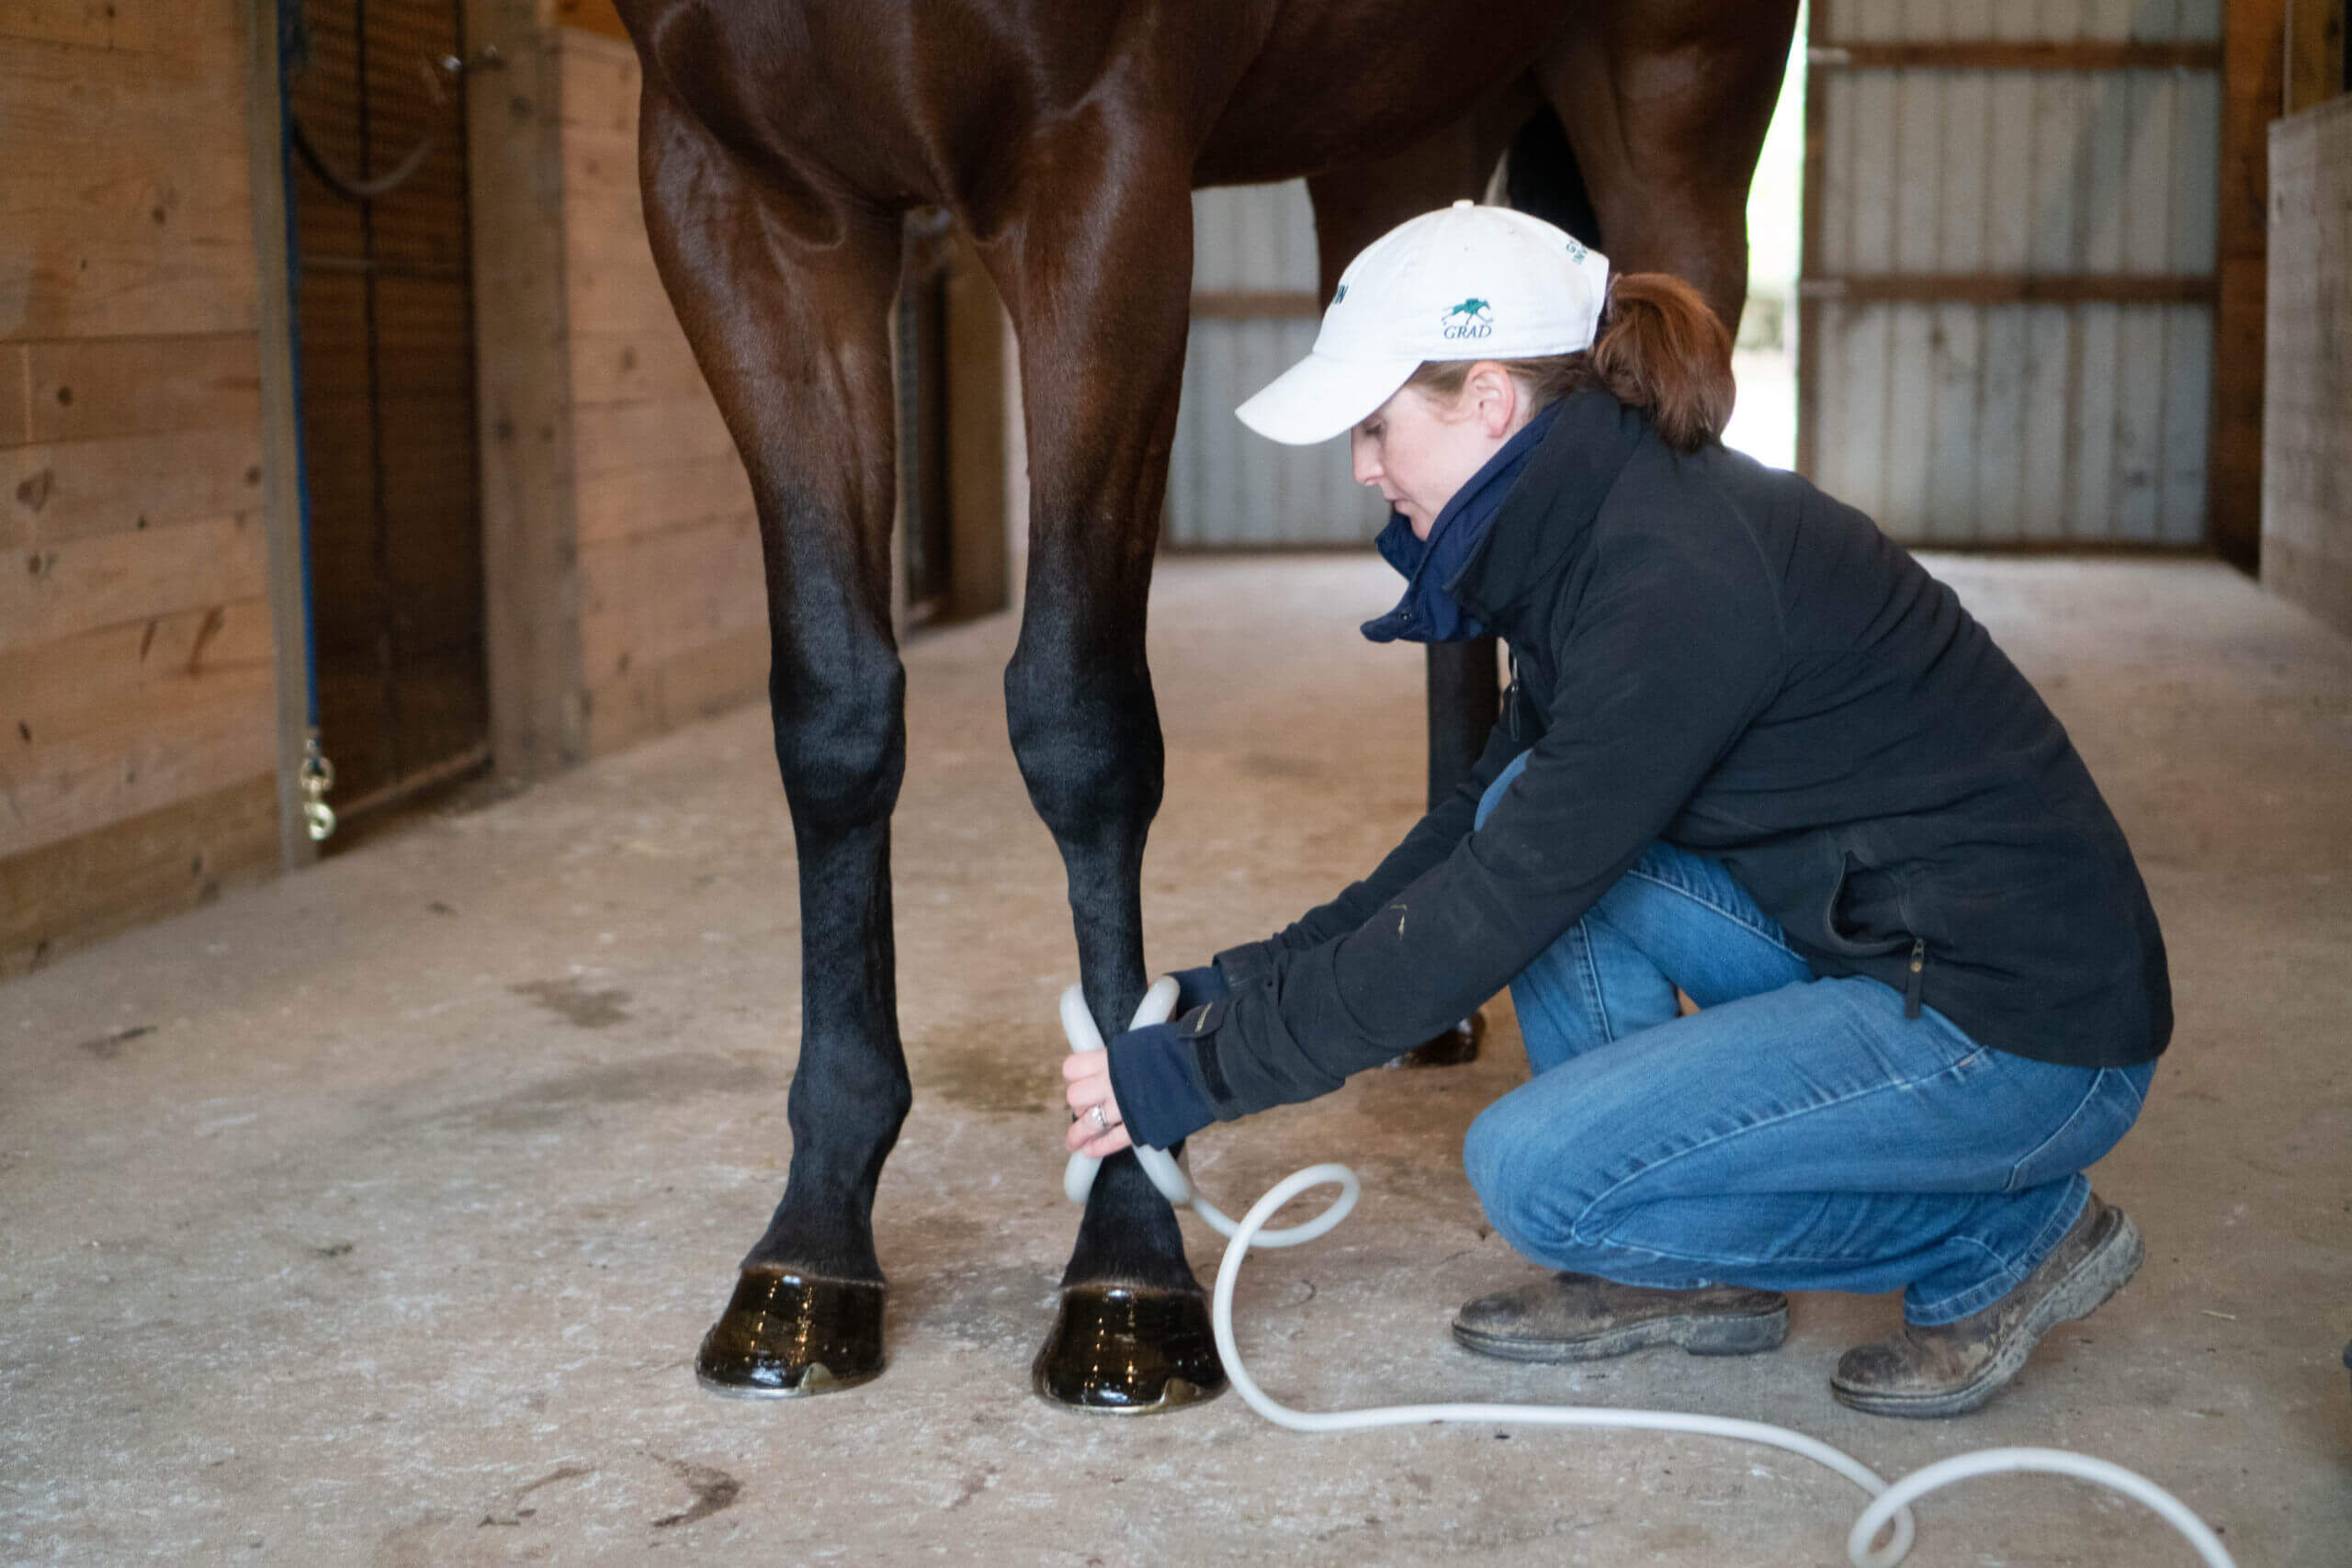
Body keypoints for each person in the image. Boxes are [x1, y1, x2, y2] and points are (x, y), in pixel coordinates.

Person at [1060, 200, 2170, 1418]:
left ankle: (2008, 1244)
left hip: (2020, 1035)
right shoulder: (1597, 525)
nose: (1363, 468)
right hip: (1887, 939)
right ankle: (1679, 1269)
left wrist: (1204, 1078)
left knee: (1537, 1177)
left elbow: (1492, 911)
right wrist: (1237, 988)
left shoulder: (1669, 578)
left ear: (1490, 402)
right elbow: (1479, 830)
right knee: (1526, 814)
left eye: (1377, 427)